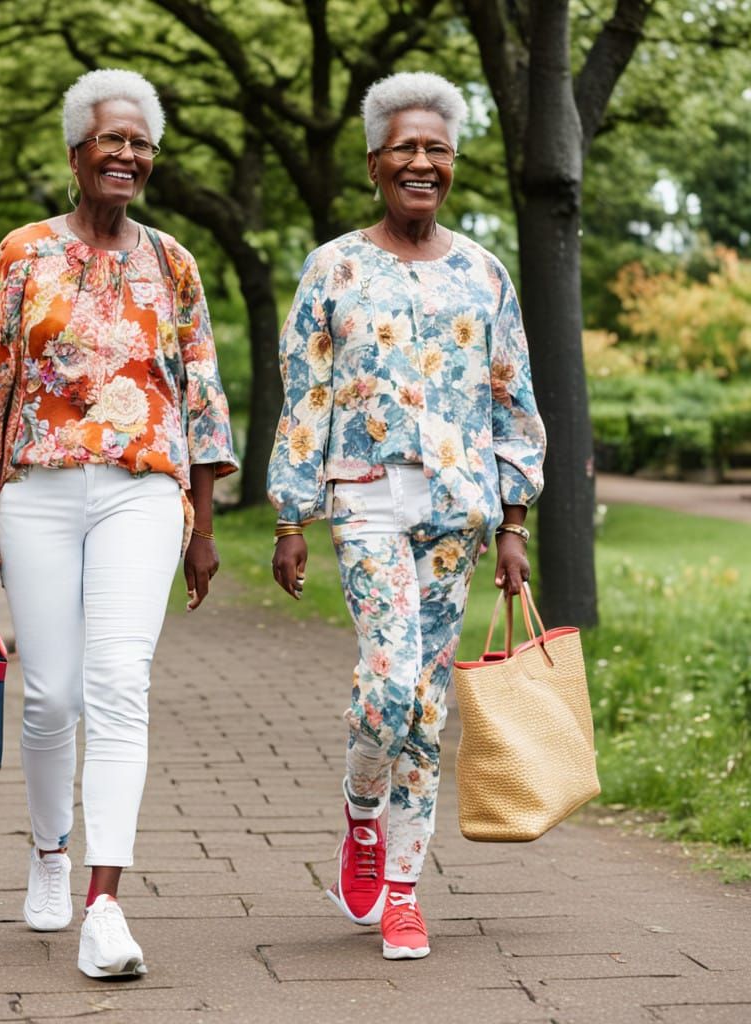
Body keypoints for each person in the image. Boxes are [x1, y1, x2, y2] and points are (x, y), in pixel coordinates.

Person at [0, 68, 238, 980]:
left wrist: (202, 524)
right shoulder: (23, 252)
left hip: (141, 492)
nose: (128, 154)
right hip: (35, 490)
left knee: (119, 683)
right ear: (76, 154)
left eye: (141, 143)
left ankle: (105, 906)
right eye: (111, 140)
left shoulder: (173, 262)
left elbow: (202, 395)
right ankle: (49, 852)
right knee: (52, 694)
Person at [267, 72, 546, 962]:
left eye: (437, 150)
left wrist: (514, 522)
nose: (421, 163)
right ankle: (360, 812)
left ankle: (401, 891)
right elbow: (305, 397)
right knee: (389, 685)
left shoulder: (484, 273)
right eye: (405, 149)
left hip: (460, 512)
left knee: (423, 708)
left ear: (452, 165)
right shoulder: (334, 267)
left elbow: (514, 403)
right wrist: (289, 515)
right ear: (374, 163)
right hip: (366, 502)